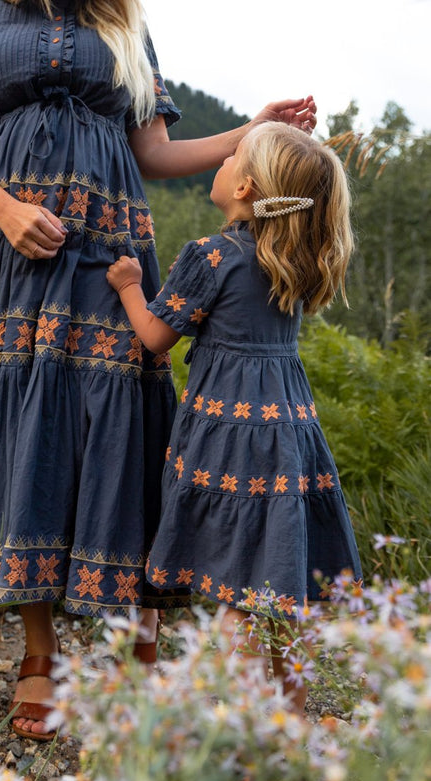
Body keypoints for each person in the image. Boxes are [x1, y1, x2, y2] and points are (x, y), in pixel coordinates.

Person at [0, 0, 318, 739]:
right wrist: (2, 209)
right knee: (17, 419)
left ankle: (134, 625)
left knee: (119, 415)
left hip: (108, 237)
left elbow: (154, 154)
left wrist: (253, 129)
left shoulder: (126, 24)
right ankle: (41, 651)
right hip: (4, 245)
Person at [107, 121, 362, 715]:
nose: (218, 163)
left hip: (229, 437)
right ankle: (291, 723)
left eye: (230, 157)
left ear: (245, 186)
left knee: (233, 592)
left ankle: (243, 735)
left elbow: (153, 339)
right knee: (271, 590)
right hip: (289, 433)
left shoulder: (211, 255)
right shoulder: (293, 260)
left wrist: (128, 286)